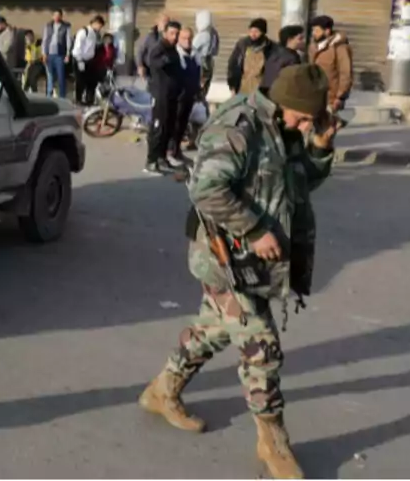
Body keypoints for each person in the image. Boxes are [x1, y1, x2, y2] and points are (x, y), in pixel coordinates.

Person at [139, 64, 337, 479]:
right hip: (225, 258)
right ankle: (273, 442)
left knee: (211, 330)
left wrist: (319, 147)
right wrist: (256, 228)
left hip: (254, 261)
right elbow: (206, 191)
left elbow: (298, 185)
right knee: (261, 346)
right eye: (303, 118)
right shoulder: (239, 126)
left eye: (310, 121)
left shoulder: (286, 129)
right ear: (284, 103)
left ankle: (163, 390)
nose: (304, 126)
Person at [145, 21, 183, 174]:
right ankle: (151, 160)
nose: (174, 37)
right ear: (165, 33)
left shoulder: (173, 49)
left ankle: (162, 158)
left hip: (171, 94)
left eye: (176, 34)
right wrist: (166, 60)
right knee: (158, 128)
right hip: (160, 94)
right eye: (172, 33)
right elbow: (153, 63)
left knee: (168, 127)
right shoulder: (159, 48)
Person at [309, 15, 352, 114]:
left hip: (331, 99)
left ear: (327, 31)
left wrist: (340, 96)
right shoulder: (313, 47)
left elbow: (345, 73)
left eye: (316, 30)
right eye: (312, 30)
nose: (313, 33)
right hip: (314, 96)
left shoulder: (340, 48)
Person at [172, 27, 203, 163]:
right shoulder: (176, 54)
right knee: (175, 124)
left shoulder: (195, 54)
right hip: (178, 95)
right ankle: (170, 151)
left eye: (190, 38)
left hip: (190, 95)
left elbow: (197, 73)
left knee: (183, 124)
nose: (187, 41)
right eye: (184, 38)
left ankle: (177, 150)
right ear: (179, 39)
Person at [227, 18, 272, 95]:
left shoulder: (270, 47)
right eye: (251, 31)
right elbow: (233, 64)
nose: (253, 34)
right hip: (242, 86)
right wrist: (232, 86)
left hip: (261, 88)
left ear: (263, 32)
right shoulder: (242, 44)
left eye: (256, 32)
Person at [71, 15, 105, 106]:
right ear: (95, 23)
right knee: (80, 81)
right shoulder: (83, 32)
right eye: (99, 26)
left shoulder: (95, 34)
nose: (99, 28)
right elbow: (78, 47)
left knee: (92, 81)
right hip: (80, 60)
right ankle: (78, 100)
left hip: (90, 60)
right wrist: (79, 60)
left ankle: (89, 100)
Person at [261, 25, 305, 94]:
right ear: (290, 40)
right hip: (281, 94)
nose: (303, 41)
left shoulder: (274, 52)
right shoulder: (291, 58)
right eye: (300, 38)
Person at [42, 9, 72, 99]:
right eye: (55, 15)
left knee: (61, 77)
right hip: (49, 55)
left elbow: (68, 40)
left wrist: (68, 54)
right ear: (52, 16)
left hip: (60, 55)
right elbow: (45, 39)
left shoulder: (66, 26)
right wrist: (44, 53)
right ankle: (49, 96)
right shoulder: (48, 25)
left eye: (58, 15)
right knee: (50, 77)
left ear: (61, 16)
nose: (57, 17)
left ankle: (62, 96)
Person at [192, 10, 220, 99]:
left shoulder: (203, 35)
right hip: (210, 61)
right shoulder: (214, 33)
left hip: (201, 61)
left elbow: (192, 48)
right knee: (205, 86)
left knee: (198, 86)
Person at [136, 12, 171, 82]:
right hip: (150, 71)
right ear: (157, 22)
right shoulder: (150, 36)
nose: (166, 24)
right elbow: (140, 51)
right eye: (164, 21)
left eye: (168, 22)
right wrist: (140, 65)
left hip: (165, 71)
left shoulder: (170, 37)